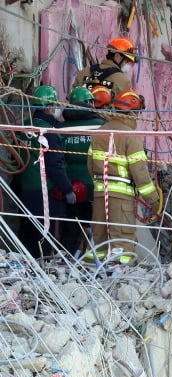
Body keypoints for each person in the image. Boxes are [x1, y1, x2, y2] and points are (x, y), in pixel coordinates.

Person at [87, 89, 160, 265]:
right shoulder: (130, 136)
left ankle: (91, 272)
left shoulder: (99, 132)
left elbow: (90, 166)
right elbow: (140, 173)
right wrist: (153, 200)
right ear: (132, 112)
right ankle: (121, 279)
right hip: (121, 199)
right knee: (122, 240)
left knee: (99, 237)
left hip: (99, 195)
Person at [17, 85, 75, 258]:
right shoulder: (49, 132)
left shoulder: (23, 128)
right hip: (44, 192)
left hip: (22, 188)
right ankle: (41, 265)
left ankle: (26, 266)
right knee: (43, 233)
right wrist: (68, 189)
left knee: (26, 231)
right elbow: (54, 164)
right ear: (50, 107)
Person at [58, 86, 107, 255]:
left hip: (68, 186)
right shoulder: (101, 126)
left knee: (71, 228)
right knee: (97, 228)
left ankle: (64, 259)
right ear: (90, 103)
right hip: (95, 186)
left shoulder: (60, 128)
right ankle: (93, 259)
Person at [72, 37, 137, 96]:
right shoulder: (124, 81)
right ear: (117, 56)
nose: (128, 65)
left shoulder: (84, 72)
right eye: (127, 61)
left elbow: (71, 96)